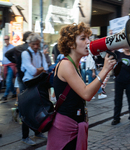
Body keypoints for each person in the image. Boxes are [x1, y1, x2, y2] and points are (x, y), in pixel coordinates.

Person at [46, 22, 116, 150]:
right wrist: (104, 70)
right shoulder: (66, 65)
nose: (88, 42)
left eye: (88, 38)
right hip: (65, 129)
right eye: (83, 38)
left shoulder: (74, 64)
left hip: (72, 125)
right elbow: (86, 94)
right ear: (71, 43)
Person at [20, 33, 48, 145]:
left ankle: (37, 131)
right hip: (28, 83)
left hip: (38, 84)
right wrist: (39, 69)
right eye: (33, 44)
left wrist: (39, 69)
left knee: (38, 109)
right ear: (29, 44)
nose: (36, 46)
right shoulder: (25, 54)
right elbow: (32, 71)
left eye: (37, 44)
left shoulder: (41, 54)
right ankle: (25, 136)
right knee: (26, 111)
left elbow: (45, 68)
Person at [111, 48, 130, 126]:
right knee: (117, 101)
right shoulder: (118, 54)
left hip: (129, 82)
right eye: (124, 45)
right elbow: (111, 49)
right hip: (119, 81)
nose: (126, 47)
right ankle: (116, 118)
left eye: (127, 45)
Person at [0, 35, 16, 101]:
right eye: (4, 39)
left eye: (6, 39)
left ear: (9, 39)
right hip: (5, 66)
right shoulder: (4, 48)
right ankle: (14, 92)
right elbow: (3, 57)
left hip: (11, 65)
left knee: (8, 81)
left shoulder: (12, 47)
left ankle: (5, 95)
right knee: (9, 81)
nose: (5, 40)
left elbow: (15, 57)